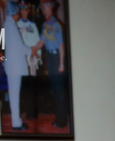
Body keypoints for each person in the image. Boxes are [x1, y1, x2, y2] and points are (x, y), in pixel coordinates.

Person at [31, 0, 68, 130]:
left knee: (59, 91)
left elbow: (61, 45)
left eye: (43, 7)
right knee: (55, 90)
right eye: (41, 7)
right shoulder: (46, 25)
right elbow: (42, 40)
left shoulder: (56, 24)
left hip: (57, 57)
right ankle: (59, 119)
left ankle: (62, 121)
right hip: (51, 59)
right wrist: (33, 49)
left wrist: (62, 63)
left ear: (49, 7)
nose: (42, 10)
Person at [1, 1, 33, 131]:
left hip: (12, 66)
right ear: (13, 13)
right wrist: (32, 51)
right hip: (14, 67)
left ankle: (17, 121)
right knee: (15, 95)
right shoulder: (10, 26)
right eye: (18, 13)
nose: (19, 15)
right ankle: (16, 124)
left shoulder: (8, 24)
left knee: (14, 95)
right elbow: (20, 47)